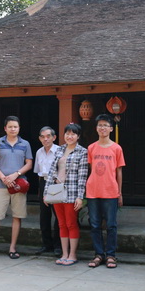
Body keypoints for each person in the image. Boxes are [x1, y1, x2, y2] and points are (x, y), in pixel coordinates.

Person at [0, 116, 33, 259]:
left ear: (19, 128)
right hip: (0, 185)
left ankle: (12, 248)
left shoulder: (25, 144)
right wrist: (4, 178)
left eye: (15, 127)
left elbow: (29, 163)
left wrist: (16, 175)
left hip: (18, 185)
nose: (13, 129)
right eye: (10, 127)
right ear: (5, 128)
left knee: (17, 216)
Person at [44, 123, 88, 266]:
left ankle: (72, 254)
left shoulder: (82, 152)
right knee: (62, 224)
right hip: (57, 192)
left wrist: (80, 197)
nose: (70, 136)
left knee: (71, 223)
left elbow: (82, 176)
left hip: (72, 192)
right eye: (67, 134)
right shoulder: (60, 149)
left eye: (73, 134)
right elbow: (51, 172)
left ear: (78, 136)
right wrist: (46, 192)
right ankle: (64, 254)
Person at [86, 114, 126, 269]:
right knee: (95, 224)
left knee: (111, 225)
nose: (102, 128)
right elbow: (91, 169)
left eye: (105, 125)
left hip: (110, 191)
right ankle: (98, 254)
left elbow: (119, 172)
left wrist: (120, 192)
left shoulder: (116, 148)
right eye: (99, 125)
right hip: (93, 191)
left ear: (111, 128)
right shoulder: (91, 147)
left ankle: (111, 255)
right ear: (96, 128)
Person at [33, 126, 61, 256]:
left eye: (48, 136)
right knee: (44, 215)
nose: (46, 139)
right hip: (44, 182)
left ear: (54, 137)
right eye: (43, 137)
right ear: (39, 138)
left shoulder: (59, 151)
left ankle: (58, 246)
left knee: (58, 215)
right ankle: (46, 244)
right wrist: (40, 189)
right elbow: (38, 173)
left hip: (56, 183)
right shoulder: (39, 152)